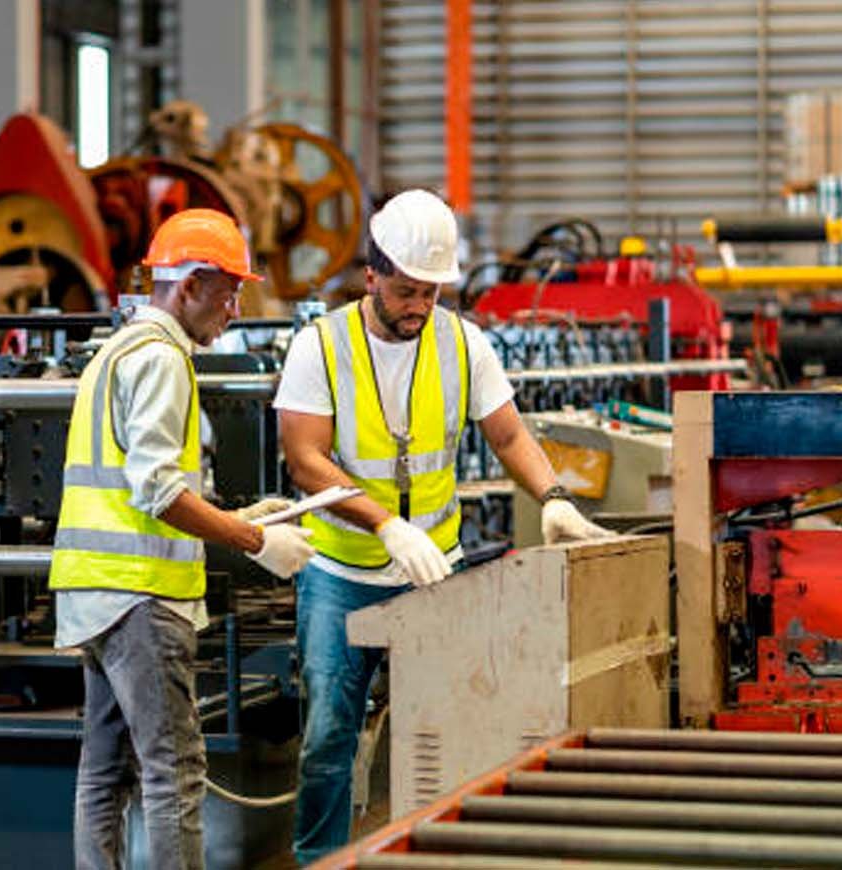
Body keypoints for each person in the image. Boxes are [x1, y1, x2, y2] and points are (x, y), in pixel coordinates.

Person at [274, 189, 612, 863]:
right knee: (328, 739)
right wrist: (383, 525)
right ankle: (320, 861)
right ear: (371, 274)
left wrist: (553, 495)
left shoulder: (462, 343)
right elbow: (305, 460)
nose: (418, 308)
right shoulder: (320, 345)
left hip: (435, 571)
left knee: (449, 730)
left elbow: (510, 433)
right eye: (405, 292)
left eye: (430, 293)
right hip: (342, 574)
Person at [50, 208, 316, 870]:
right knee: (175, 773)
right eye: (229, 291)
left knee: (105, 773)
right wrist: (254, 539)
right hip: (141, 596)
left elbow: (140, 481)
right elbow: (158, 492)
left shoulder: (116, 351)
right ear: (191, 285)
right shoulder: (163, 360)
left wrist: (243, 513)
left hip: (96, 591)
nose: (236, 308)